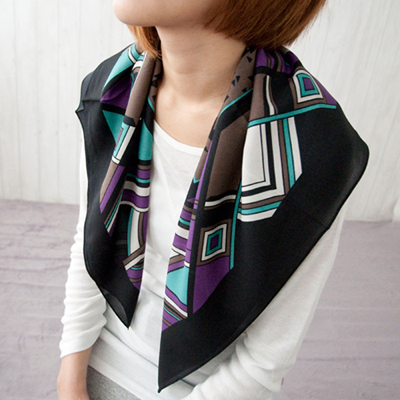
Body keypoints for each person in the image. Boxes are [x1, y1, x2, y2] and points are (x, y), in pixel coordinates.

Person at [57, 0, 369, 399]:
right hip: (95, 362)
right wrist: (70, 383)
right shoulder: (113, 91)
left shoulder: (310, 149)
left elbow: (262, 364)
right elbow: (90, 248)